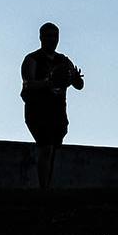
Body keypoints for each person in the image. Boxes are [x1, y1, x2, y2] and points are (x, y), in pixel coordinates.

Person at [20, 22, 84, 188]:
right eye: (48, 36)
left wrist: (75, 78)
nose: (52, 40)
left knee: (53, 149)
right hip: (38, 110)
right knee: (46, 147)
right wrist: (48, 82)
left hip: (58, 112)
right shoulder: (32, 59)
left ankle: (48, 186)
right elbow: (28, 85)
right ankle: (44, 189)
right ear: (41, 38)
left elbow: (79, 84)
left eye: (55, 36)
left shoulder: (63, 60)